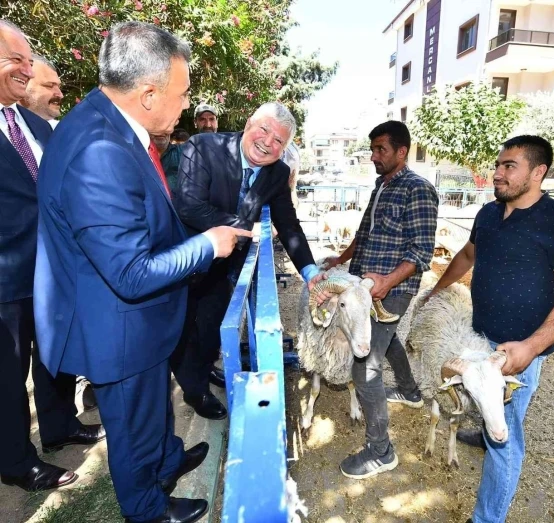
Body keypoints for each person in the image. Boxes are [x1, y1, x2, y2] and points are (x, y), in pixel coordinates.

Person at [34, 21, 250, 523]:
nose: (186, 105)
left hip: (139, 319)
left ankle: (167, 461)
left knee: (153, 409)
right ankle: (148, 508)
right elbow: (130, 272)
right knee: (132, 424)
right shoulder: (99, 151)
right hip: (117, 324)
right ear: (149, 93)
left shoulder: (111, 121)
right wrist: (208, 244)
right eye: (183, 93)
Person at [429, 136, 554, 523]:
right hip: (477, 337)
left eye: (509, 166)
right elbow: (468, 254)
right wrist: (435, 291)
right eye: (498, 165)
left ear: (538, 173)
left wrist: (532, 347)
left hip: (516, 353)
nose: (497, 173)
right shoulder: (488, 214)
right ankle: (485, 427)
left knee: (506, 441)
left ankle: (486, 518)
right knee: (482, 404)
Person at [0, 19, 105, 493]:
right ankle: (17, 461)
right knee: (8, 375)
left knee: (55, 357)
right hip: (6, 280)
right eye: (13, 59)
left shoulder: (37, 124)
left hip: (54, 271)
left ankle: (60, 426)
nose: (24, 68)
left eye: (27, 59)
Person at [173, 101, 325, 420]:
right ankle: (195, 391)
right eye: (264, 130)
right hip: (184, 259)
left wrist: (310, 271)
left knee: (212, 326)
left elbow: (289, 223)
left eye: (279, 141)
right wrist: (247, 227)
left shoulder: (278, 172)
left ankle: (203, 371)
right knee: (184, 330)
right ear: (248, 124)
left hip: (222, 266)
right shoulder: (202, 147)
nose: (268, 143)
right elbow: (189, 206)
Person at [324, 121, 438, 480]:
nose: (374, 156)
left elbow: (422, 252)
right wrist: (341, 259)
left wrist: (388, 282)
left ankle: (380, 451)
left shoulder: (418, 190)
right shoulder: (381, 185)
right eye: (372, 149)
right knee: (384, 342)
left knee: (365, 366)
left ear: (401, 152)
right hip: (363, 286)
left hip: (392, 290)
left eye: (381, 150)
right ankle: (409, 390)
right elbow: (364, 233)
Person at [19, 54, 62, 128]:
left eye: (59, 87)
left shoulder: (61, 131)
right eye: (49, 86)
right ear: (22, 84)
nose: (60, 95)